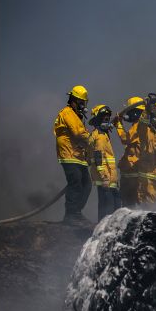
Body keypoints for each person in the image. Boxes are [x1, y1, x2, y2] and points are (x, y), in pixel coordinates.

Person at [53, 85, 91, 224]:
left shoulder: (76, 116)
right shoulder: (68, 113)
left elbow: (81, 136)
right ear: (72, 100)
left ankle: (76, 212)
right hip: (68, 154)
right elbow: (78, 133)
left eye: (83, 102)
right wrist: (92, 138)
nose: (82, 105)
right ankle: (70, 215)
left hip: (78, 156)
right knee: (75, 183)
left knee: (86, 184)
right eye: (80, 102)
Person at [85, 105, 121, 221]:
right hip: (106, 178)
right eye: (105, 118)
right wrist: (105, 177)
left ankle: (104, 226)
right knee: (109, 208)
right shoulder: (100, 136)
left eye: (108, 118)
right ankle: (105, 228)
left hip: (109, 178)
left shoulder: (101, 134)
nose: (107, 120)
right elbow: (98, 158)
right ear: (98, 120)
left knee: (110, 205)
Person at [113, 96, 144, 207]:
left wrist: (118, 124)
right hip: (132, 172)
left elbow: (125, 139)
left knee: (129, 203)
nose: (128, 115)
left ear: (135, 112)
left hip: (133, 173)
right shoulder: (141, 125)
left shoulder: (138, 126)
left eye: (129, 112)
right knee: (131, 204)